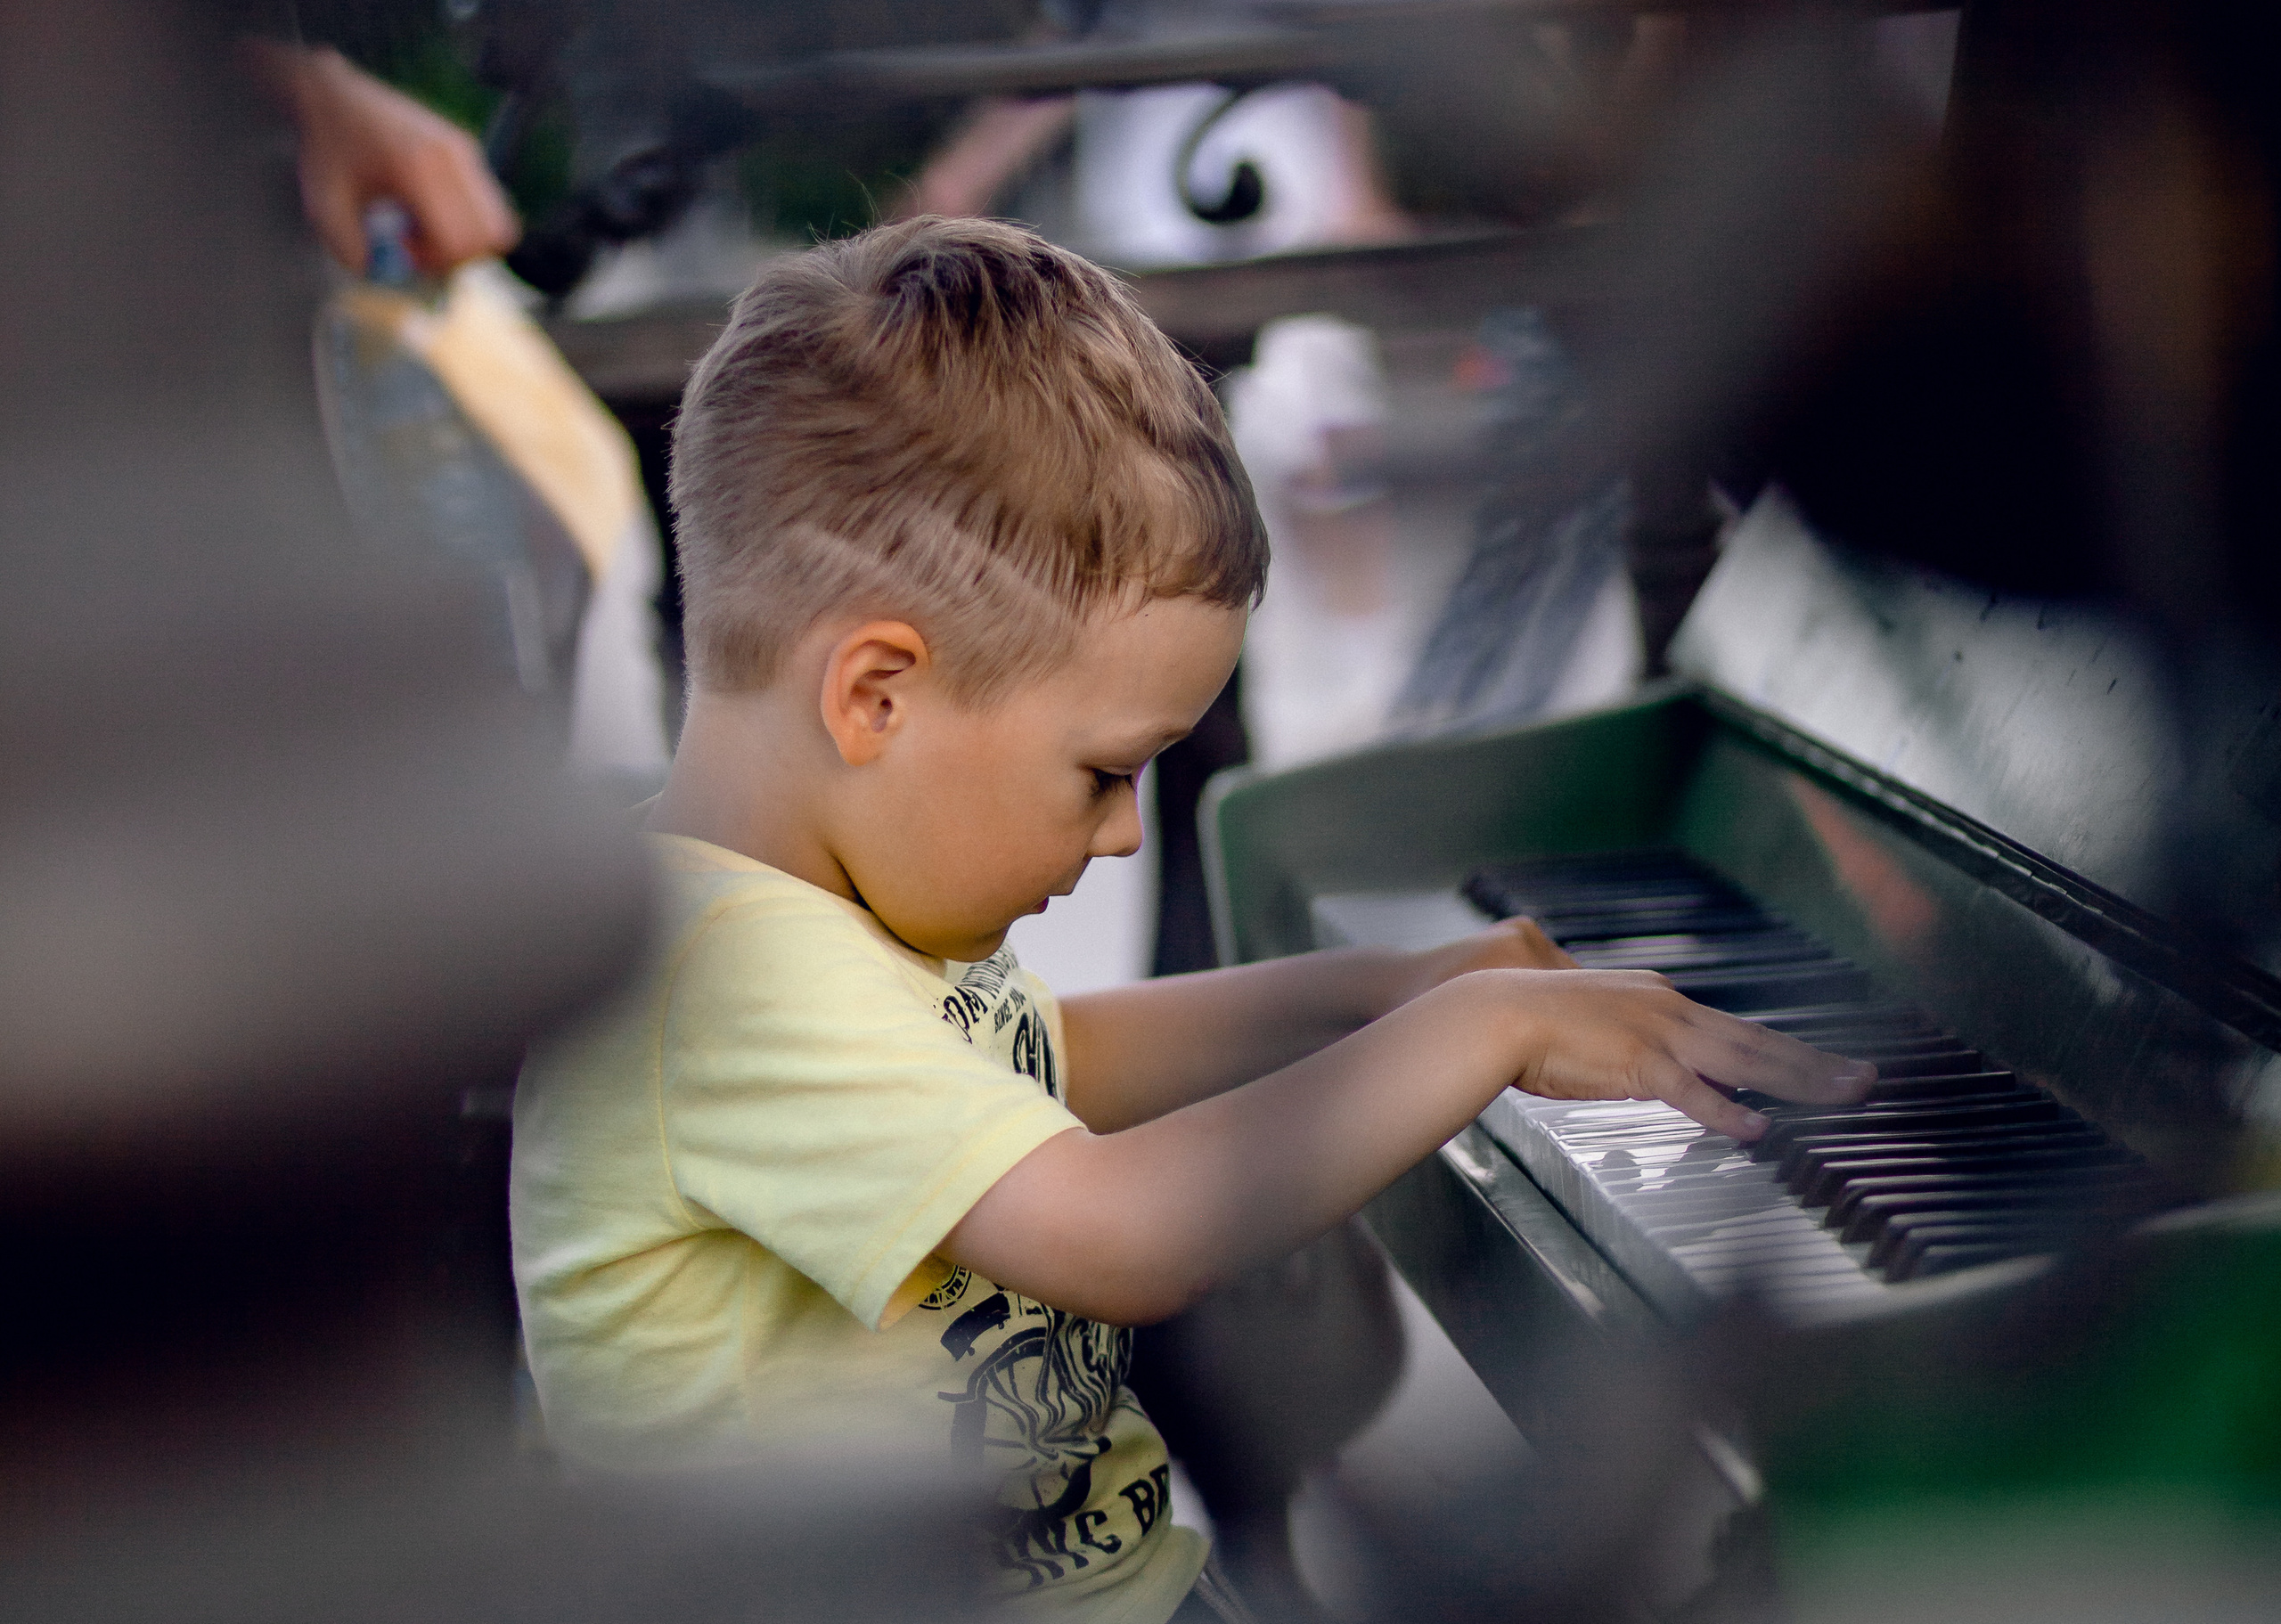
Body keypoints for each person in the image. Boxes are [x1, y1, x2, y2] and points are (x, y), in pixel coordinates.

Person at [509, 216, 1876, 1624]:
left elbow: (1051, 1058)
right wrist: (1488, 1027)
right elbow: (1120, 1235)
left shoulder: (815, 910)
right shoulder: (715, 982)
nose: (1121, 833)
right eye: (1104, 772)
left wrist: (1378, 990)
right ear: (876, 696)